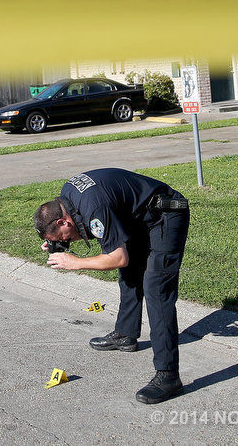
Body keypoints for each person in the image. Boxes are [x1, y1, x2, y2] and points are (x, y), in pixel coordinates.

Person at [33, 168, 190, 404]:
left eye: (62, 237)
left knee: (157, 289)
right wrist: (61, 244)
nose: (66, 241)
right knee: (130, 275)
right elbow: (93, 227)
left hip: (166, 214)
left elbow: (117, 257)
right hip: (139, 217)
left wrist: (76, 263)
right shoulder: (67, 196)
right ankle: (126, 335)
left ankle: (168, 375)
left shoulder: (94, 208)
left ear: (62, 221)